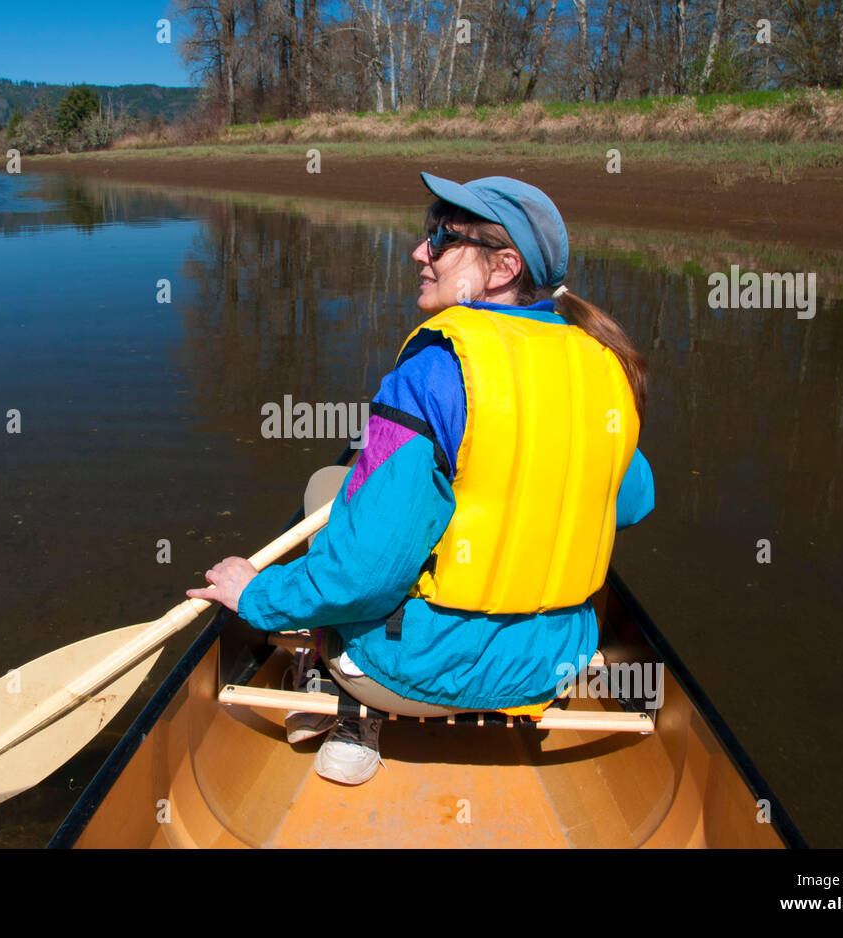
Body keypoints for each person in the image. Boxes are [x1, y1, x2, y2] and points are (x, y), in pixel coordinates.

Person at [187, 173, 655, 785]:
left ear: (504, 266)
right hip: (554, 665)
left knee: (330, 488)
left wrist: (255, 595)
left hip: (410, 677)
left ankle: (348, 701)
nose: (419, 253)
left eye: (440, 239)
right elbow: (633, 501)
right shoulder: (600, 364)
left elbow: (366, 573)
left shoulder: (434, 369)